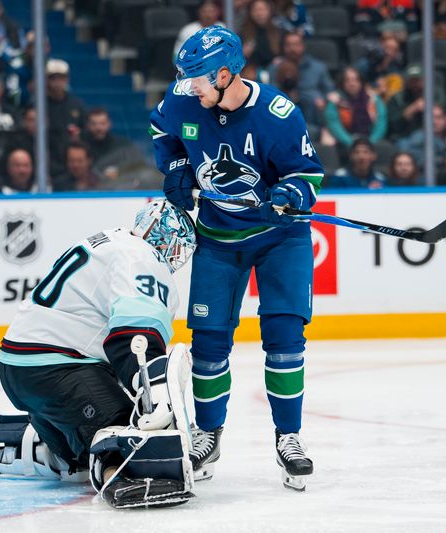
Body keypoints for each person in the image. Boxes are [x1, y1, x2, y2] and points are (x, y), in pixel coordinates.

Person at [151, 26, 322, 490]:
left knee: (285, 338)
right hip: (217, 236)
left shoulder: (278, 115)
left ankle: (289, 437)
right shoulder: (185, 99)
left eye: (199, 78)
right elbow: (160, 130)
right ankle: (209, 434)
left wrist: (290, 191)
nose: (190, 86)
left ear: (225, 74)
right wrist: (177, 165)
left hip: (278, 237)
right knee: (207, 344)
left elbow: (308, 173)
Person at [0, 199, 198, 508]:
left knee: (75, 462)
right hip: (58, 368)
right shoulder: (143, 259)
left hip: (21, 369)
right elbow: (135, 341)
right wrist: (155, 400)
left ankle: (7, 455)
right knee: (125, 433)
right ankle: (122, 477)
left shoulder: (110, 240)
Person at [267, 32, 336, 134]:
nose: (292, 49)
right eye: (288, 45)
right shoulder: (275, 68)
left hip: (313, 120)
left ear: (303, 46)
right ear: (283, 48)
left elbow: (331, 93)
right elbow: (268, 93)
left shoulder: (318, 67)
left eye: (296, 44)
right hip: (282, 119)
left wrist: (324, 100)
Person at [324, 67, 387, 151]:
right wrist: (351, 143)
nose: (352, 84)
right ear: (342, 83)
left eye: (355, 80)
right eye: (348, 80)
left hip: (370, 140)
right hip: (344, 142)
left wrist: (370, 142)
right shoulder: (335, 100)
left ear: (361, 82)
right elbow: (334, 125)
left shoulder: (373, 99)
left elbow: (381, 122)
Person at [239, 0, 282, 71]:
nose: (259, 13)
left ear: (270, 11)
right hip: (251, 71)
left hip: (273, 70)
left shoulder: (279, 32)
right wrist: (243, 54)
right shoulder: (243, 33)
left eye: (263, 10)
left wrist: (280, 59)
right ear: (250, 12)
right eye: (256, 10)